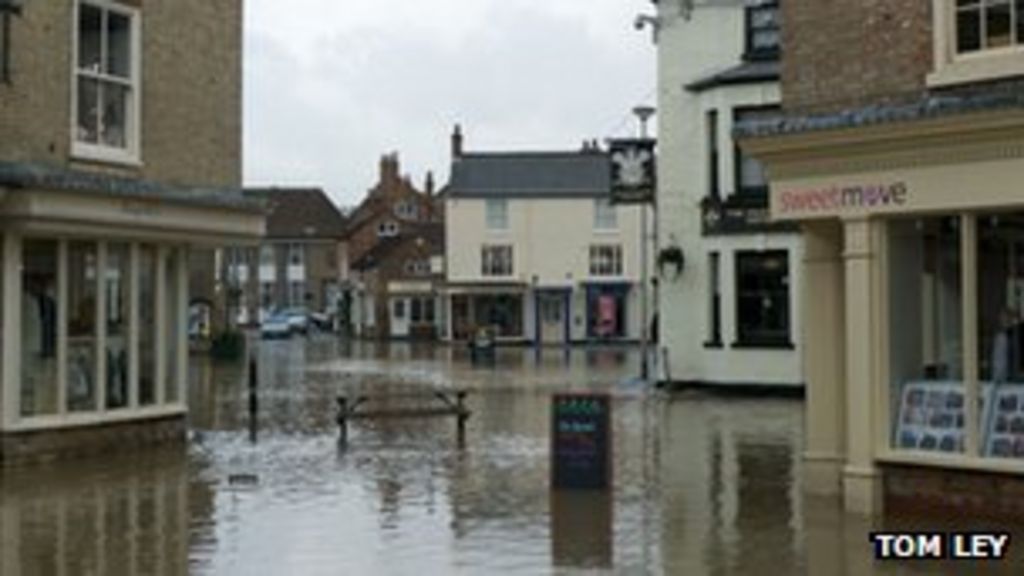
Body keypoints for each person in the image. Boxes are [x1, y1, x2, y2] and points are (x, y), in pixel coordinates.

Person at [992, 308, 1016, 384]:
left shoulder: (1013, 331)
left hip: (1011, 376)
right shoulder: (999, 333)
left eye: (1005, 316)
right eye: (1002, 316)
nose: (1003, 318)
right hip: (999, 376)